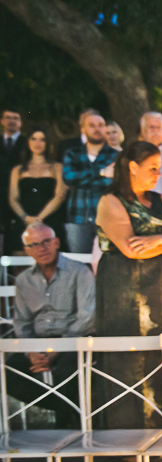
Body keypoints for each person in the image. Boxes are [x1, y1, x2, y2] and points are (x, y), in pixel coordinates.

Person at [95, 141, 162, 428]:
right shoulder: (111, 201)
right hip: (121, 287)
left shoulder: (160, 200)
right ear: (132, 167)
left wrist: (157, 239)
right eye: (152, 168)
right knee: (126, 356)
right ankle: (126, 433)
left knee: (160, 349)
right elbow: (130, 249)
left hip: (157, 285)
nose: (158, 174)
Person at [10, 222, 94, 428]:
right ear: (27, 251)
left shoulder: (79, 271)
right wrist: (31, 351)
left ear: (56, 242)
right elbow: (22, 321)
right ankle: (69, 407)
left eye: (46, 241)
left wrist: (58, 349)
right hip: (39, 343)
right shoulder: (23, 280)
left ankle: (67, 430)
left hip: (75, 340)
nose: (41, 248)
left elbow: (87, 317)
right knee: (8, 372)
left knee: (67, 371)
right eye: (34, 244)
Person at [62, 112, 118, 253]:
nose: (97, 129)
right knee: (79, 263)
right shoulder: (72, 154)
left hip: (107, 219)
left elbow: (112, 183)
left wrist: (82, 179)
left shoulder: (115, 155)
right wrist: (102, 173)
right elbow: (68, 177)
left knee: (107, 261)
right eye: (91, 125)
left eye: (101, 125)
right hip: (78, 217)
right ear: (83, 129)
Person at [7, 128, 68, 254]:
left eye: (42, 139)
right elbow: (13, 198)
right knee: (20, 260)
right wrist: (25, 217)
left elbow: (60, 196)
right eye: (33, 139)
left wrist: (39, 218)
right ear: (28, 142)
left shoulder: (57, 167)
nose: (37, 143)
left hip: (50, 220)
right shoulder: (17, 170)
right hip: (24, 221)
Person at [1, 108, 26, 251]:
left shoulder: (28, 143)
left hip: (20, 196)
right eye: (8, 117)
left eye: (15, 118)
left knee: (15, 235)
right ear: (2, 121)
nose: (12, 121)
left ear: (21, 123)